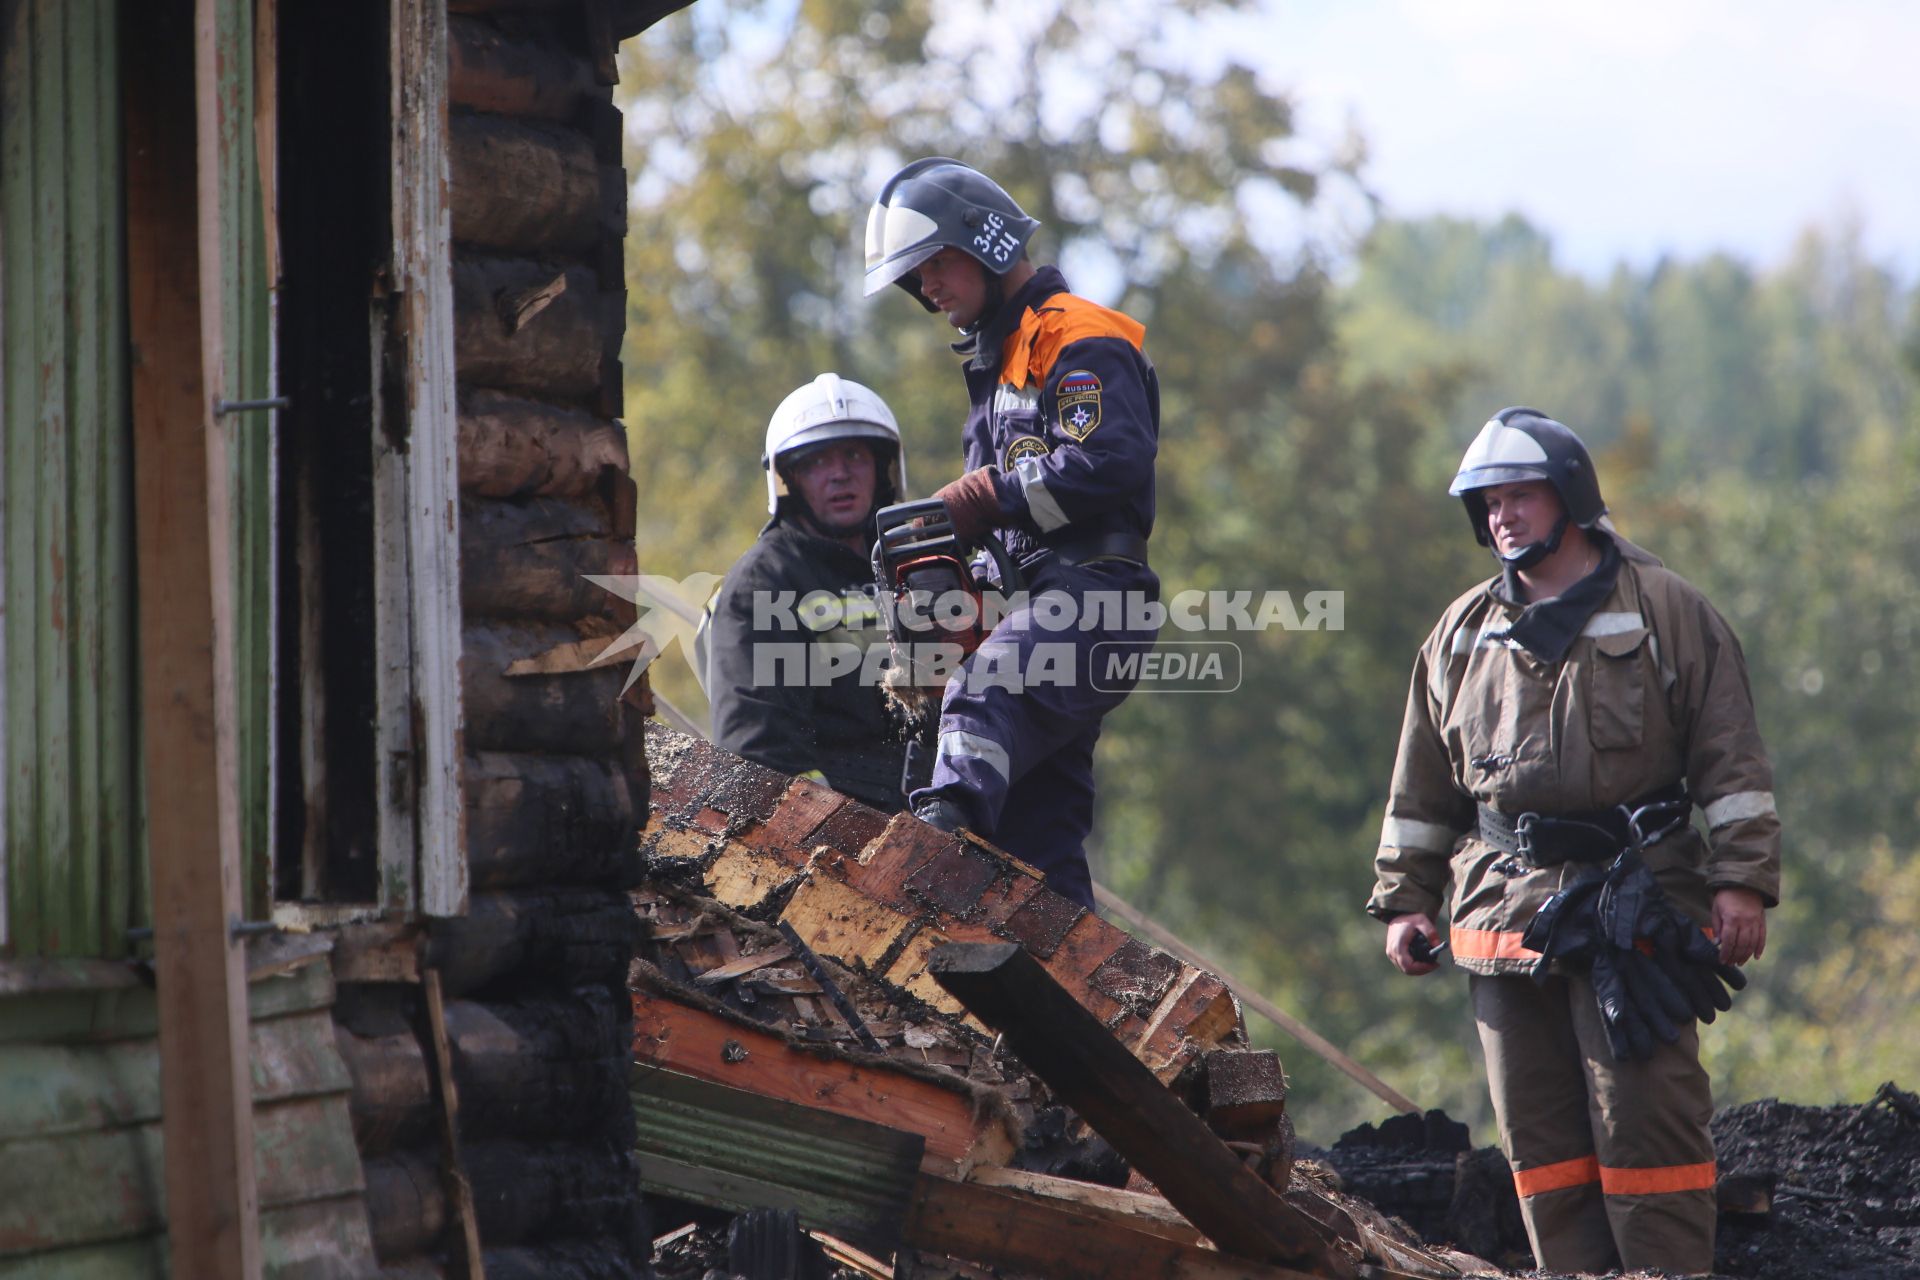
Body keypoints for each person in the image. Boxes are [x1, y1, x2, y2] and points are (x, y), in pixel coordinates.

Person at [1367, 406, 1781, 1276]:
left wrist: (1741, 881)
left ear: (1571, 499)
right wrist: (1406, 899)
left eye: (1520, 496)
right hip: (1500, 917)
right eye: (1488, 503)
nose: (1502, 517)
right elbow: (1421, 786)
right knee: (1543, 1151)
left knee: (1648, 1136)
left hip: (1640, 914)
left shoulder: (1667, 609)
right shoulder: (1459, 634)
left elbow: (1730, 757)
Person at [862, 157, 1160, 909]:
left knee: (987, 688)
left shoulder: (1079, 337)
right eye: (914, 278)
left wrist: (987, 494)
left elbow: (1114, 462)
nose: (926, 288)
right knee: (1035, 829)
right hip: (1035, 606)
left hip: (1096, 597)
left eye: (934, 265)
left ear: (985, 242)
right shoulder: (996, 378)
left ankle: (926, 852)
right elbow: (999, 533)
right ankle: (1079, 1004)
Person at [703, 373, 919, 811]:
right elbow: (757, 751)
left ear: (882, 467)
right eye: (817, 461)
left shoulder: (917, 565)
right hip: (835, 838)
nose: (839, 474)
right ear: (790, 478)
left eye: (855, 455)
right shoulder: (764, 582)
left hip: (937, 811)